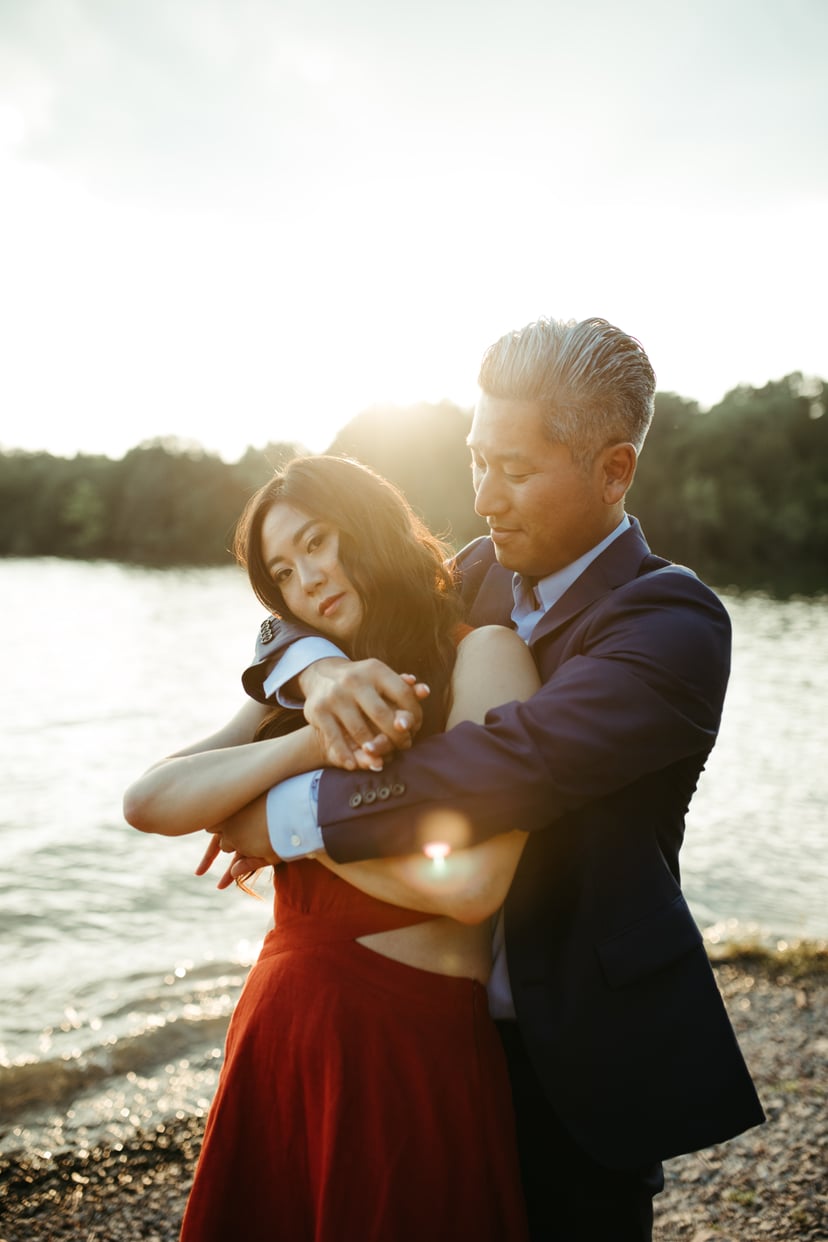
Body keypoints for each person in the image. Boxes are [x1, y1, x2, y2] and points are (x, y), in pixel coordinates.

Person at [216, 318, 765, 1242]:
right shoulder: (468, 573)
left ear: (614, 470)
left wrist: (285, 818)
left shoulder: (671, 622)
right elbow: (296, 610)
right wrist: (317, 668)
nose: (484, 496)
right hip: (429, 1033)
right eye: (476, 462)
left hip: (578, 1058)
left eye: (514, 471)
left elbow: (505, 764)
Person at [123, 454, 539, 1242]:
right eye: (283, 571)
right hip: (278, 1037)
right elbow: (148, 801)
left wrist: (283, 829)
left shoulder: (484, 656)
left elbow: (474, 885)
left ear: (372, 527)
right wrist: (307, 745)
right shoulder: (306, 688)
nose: (305, 578)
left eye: (317, 542)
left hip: (402, 1051)